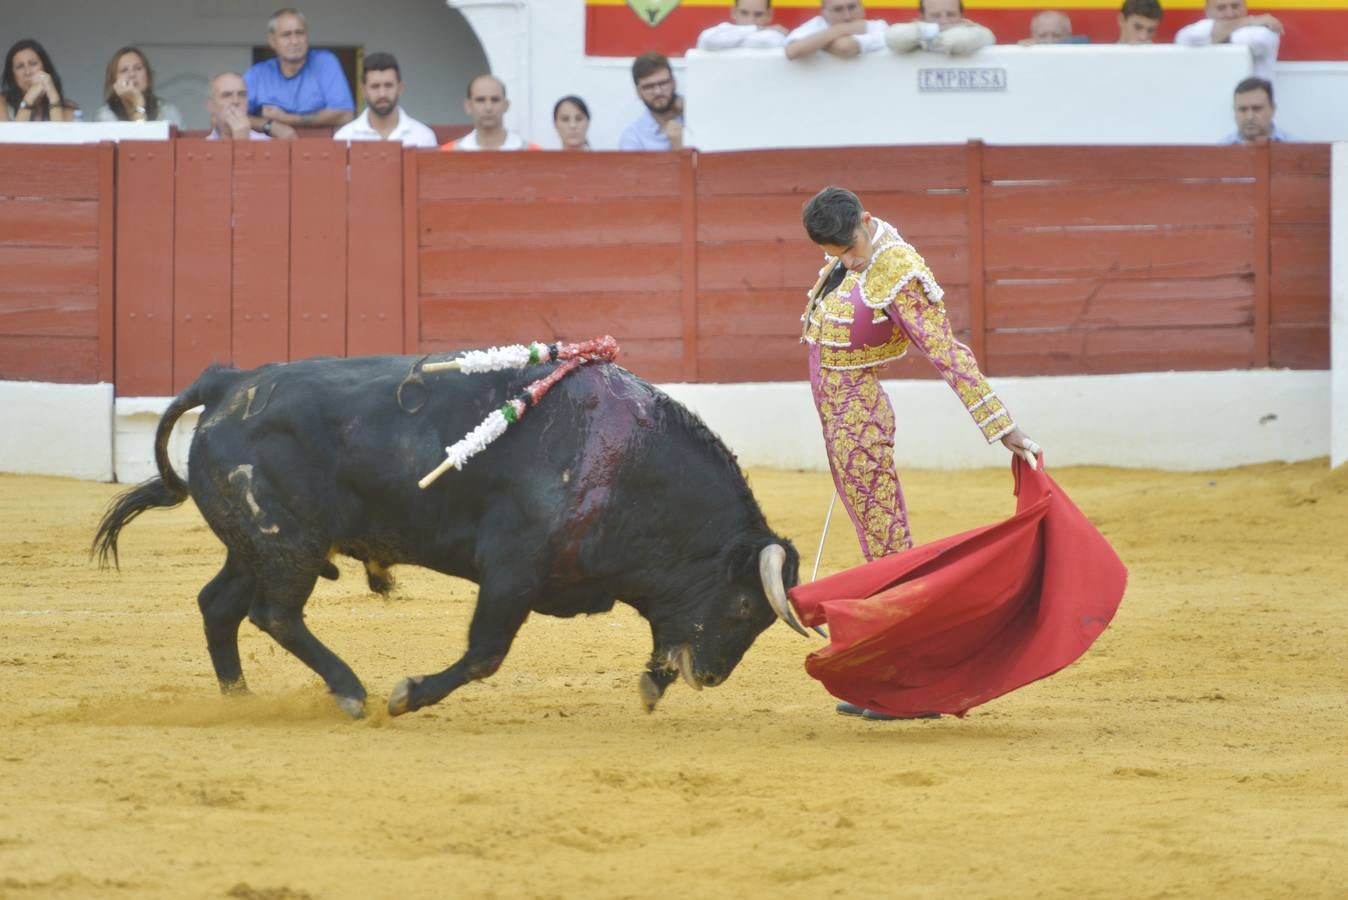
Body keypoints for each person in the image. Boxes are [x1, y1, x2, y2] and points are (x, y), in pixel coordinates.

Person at [799, 187, 1041, 721]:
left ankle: (913, 683)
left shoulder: (898, 273)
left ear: (864, 220)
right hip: (843, 420)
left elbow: (947, 354)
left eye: (849, 249)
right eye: (836, 254)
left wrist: (1003, 426)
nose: (846, 260)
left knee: (890, 552)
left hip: (858, 421)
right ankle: (892, 677)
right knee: (881, 549)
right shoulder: (856, 254)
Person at [244, 7, 354, 140]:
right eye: (286, 35)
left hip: (321, 151)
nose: (295, 41)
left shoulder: (325, 62)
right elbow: (230, 115)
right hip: (269, 154)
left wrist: (285, 119)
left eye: (299, 33)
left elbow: (344, 114)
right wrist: (269, 126)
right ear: (272, 41)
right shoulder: (258, 74)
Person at [332, 52, 436, 148]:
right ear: (363, 90)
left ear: (400, 88)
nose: (382, 94)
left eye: (388, 85)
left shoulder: (423, 137)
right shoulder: (344, 137)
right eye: (375, 86)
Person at [1174, 0, 1281, 82]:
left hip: (1252, 106)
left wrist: (1216, 34)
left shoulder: (1265, 30)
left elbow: (1258, 40)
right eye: (1221, 8)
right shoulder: (1254, 21)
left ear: (1245, 7)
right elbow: (1183, 38)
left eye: (1235, 6)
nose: (1230, 14)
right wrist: (1250, 20)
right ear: (1207, 11)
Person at [440, 74, 538, 151]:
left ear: (506, 105)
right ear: (468, 106)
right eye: (480, 100)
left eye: (495, 100)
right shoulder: (447, 153)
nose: (488, 107)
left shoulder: (533, 153)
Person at [95, 47, 183, 126]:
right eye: (124, 70)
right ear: (114, 80)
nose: (132, 74)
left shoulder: (167, 110)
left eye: (138, 68)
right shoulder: (106, 115)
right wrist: (137, 106)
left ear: (148, 76)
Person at [618, 53, 686, 152]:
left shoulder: (694, 117)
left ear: (674, 83)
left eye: (663, 83)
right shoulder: (633, 138)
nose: (657, 92)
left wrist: (689, 108)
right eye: (649, 87)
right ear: (638, 92)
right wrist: (678, 149)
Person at [1, 39, 77, 122]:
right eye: (20, 66)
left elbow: (59, 133)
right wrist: (29, 98)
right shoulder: (2, 103)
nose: (27, 72)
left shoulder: (68, 107)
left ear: (45, 68)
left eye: (33, 64)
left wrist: (53, 95)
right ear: (12, 74)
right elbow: (15, 134)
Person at [784, 0, 889, 60]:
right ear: (824, 13)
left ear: (862, 8)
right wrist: (842, 29)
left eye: (852, 7)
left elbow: (845, 48)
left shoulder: (878, 27)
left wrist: (815, 43)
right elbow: (792, 51)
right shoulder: (816, 24)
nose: (847, 16)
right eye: (838, 9)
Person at [886, 0, 995, 56]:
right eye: (936, 16)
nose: (944, 21)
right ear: (921, 17)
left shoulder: (979, 33)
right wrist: (929, 31)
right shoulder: (914, 31)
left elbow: (957, 41)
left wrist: (929, 35)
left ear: (962, 16)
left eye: (951, 14)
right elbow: (894, 38)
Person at [1222, 76, 1292, 143]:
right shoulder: (1220, 151)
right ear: (1234, 111)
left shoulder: (1296, 148)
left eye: (1257, 109)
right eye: (1243, 109)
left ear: (1272, 109)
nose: (1250, 117)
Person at [696, 0, 789, 50]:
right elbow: (707, 39)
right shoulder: (716, 35)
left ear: (769, 14)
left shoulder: (775, 36)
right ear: (734, 12)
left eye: (758, 14)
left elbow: (772, 41)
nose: (750, 21)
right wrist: (759, 29)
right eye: (744, 13)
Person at [205, 72, 270, 140]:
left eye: (242, 94)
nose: (236, 101)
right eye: (227, 95)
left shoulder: (267, 142)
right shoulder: (202, 147)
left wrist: (242, 140)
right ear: (210, 106)